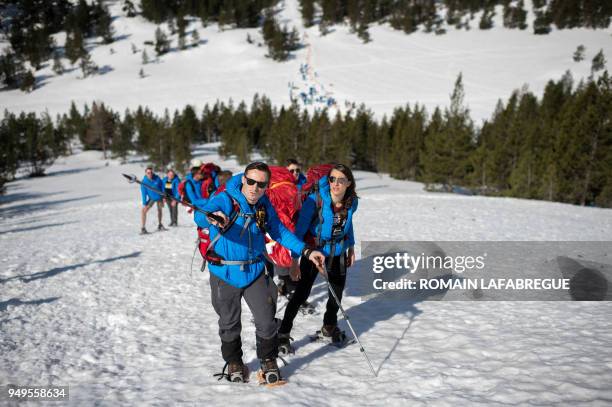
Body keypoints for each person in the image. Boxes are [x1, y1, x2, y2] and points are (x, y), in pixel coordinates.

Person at [197, 161, 325, 385]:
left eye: (261, 184)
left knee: (266, 320)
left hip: (255, 270)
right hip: (224, 272)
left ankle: (268, 359)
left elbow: (280, 232)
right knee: (229, 322)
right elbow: (203, 214)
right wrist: (212, 215)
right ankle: (235, 361)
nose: (255, 188)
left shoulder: (263, 205)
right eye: (251, 181)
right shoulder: (226, 199)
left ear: (267, 186)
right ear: (244, 179)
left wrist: (306, 251)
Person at [278, 163, 358, 352]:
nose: (336, 184)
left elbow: (349, 224)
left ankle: (329, 327)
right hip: (314, 252)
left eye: (341, 180)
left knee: (336, 295)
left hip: (337, 252)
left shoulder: (352, 202)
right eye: (332, 179)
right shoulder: (315, 200)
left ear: (349, 183)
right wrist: (295, 260)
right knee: (301, 294)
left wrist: (351, 247)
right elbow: (299, 231)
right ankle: (283, 333)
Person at [140, 166, 165, 234]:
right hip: (152, 198)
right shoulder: (144, 182)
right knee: (143, 211)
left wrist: (163, 197)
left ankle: (160, 225)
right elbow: (144, 194)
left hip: (159, 197)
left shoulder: (157, 178)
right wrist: (144, 204)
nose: (150, 174)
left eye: (151, 172)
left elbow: (162, 186)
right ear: (145, 173)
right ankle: (143, 228)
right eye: (148, 173)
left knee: (160, 210)